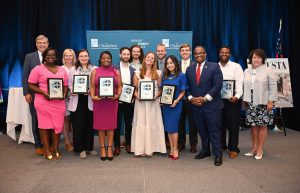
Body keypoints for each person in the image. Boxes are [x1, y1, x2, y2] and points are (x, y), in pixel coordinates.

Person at [185, 46, 224, 166]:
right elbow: (187, 87)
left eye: (200, 53)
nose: (198, 55)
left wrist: (205, 98)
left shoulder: (214, 66)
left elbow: (217, 85)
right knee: (202, 131)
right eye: (196, 53)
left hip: (211, 106)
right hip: (196, 106)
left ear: (205, 54)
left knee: (214, 131)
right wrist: (191, 99)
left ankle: (218, 155)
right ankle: (205, 150)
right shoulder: (189, 69)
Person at [28, 47, 68, 160]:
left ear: (56, 57)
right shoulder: (37, 69)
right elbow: (30, 84)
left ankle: (55, 148)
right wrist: (43, 92)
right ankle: (46, 149)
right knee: (44, 126)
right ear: (44, 57)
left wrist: (64, 94)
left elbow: (65, 86)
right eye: (48, 55)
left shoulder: (62, 70)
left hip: (59, 102)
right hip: (43, 101)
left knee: (58, 126)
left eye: (53, 55)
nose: (50, 57)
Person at [243, 48, 277, 160]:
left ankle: (260, 149)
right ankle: (254, 147)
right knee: (253, 125)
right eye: (254, 57)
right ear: (251, 59)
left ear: (262, 59)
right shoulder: (246, 71)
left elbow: (273, 87)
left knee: (262, 125)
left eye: (258, 57)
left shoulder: (268, 70)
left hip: (264, 101)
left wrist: (271, 101)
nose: (256, 59)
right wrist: (244, 99)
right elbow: (245, 86)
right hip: (250, 100)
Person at [131, 51, 166, 157]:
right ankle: (140, 149)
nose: (149, 59)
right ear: (145, 58)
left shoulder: (159, 73)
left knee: (152, 123)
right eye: (148, 57)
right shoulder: (137, 72)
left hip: (153, 103)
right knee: (141, 123)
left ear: (154, 61)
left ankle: (153, 148)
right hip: (141, 103)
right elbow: (135, 90)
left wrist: (156, 96)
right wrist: (138, 97)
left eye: (152, 58)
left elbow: (160, 89)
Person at [90, 51, 122, 161]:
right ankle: (102, 148)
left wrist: (117, 95)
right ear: (100, 59)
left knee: (111, 126)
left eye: (108, 58)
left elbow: (120, 86)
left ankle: (109, 148)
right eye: (104, 58)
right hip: (99, 102)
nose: (106, 60)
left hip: (112, 102)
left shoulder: (116, 71)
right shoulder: (95, 71)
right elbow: (93, 87)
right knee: (101, 126)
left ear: (111, 59)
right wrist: (93, 96)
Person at [68, 49, 97, 159]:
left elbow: (97, 84)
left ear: (89, 57)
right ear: (78, 58)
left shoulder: (95, 69)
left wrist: (92, 90)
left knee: (90, 124)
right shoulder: (73, 70)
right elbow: (69, 84)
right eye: (81, 56)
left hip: (90, 99)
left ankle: (89, 147)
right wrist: (73, 90)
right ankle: (79, 149)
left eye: (85, 56)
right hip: (77, 100)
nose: (84, 58)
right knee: (78, 125)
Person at [22, 35, 49, 155]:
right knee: (36, 119)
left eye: (44, 42)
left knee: (48, 118)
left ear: (48, 43)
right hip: (34, 94)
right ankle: (38, 144)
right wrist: (26, 92)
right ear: (36, 44)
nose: (42, 44)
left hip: (49, 94)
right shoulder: (29, 57)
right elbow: (25, 76)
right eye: (40, 43)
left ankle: (49, 144)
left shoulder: (51, 55)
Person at [218, 46, 244, 159]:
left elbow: (240, 83)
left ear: (230, 54)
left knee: (233, 125)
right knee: (220, 124)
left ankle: (233, 148)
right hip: (218, 100)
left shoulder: (236, 66)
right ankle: (222, 145)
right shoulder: (215, 67)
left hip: (232, 100)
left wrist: (237, 96)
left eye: (226, 52)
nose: (224, 54)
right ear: (219, 54)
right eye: (222, 52)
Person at [161, 55, 187, 160]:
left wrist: (177, 100)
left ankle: (176, 148)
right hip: (166, 105)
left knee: (174, 127)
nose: (169, 65)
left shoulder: (181, 75)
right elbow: (162, 90)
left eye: (171, 63)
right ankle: (171, 148)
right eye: (167, 63)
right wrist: (161, 100)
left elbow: (183, 91)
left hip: (176, 105)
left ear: (175, 63)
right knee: (168, 128)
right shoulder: (164, 76)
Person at [113, 47, 135, 156]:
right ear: (120, 55)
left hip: (129, 101)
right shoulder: (114, 68)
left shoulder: (133, 70)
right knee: (116, 124)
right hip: (117, 101)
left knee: (128, 124)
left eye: (128, 54)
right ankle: (116, 146)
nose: (126, 56)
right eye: (124, 54)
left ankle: (128, 144)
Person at [178, 43, 198, 153]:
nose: (185, 52)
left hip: (192, 99)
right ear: (180, 53)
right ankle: (181, 144)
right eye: (183, 50)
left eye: (187, 50)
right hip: (180, 99)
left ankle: (193, 144)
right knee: (180, 123)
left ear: (190, 52)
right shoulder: (176, 65)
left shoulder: (195, 65)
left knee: (193, 123)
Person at [61, 48, 76, 152]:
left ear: (73, 57)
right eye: (66, 55)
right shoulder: (60, 69)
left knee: (75, 121)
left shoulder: (77, 68)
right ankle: (67, 142)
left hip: (75, 98)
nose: (68, 57)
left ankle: (76, 141)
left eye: (70, 55)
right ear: (63, 57)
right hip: (64, 99)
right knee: (66, 120)